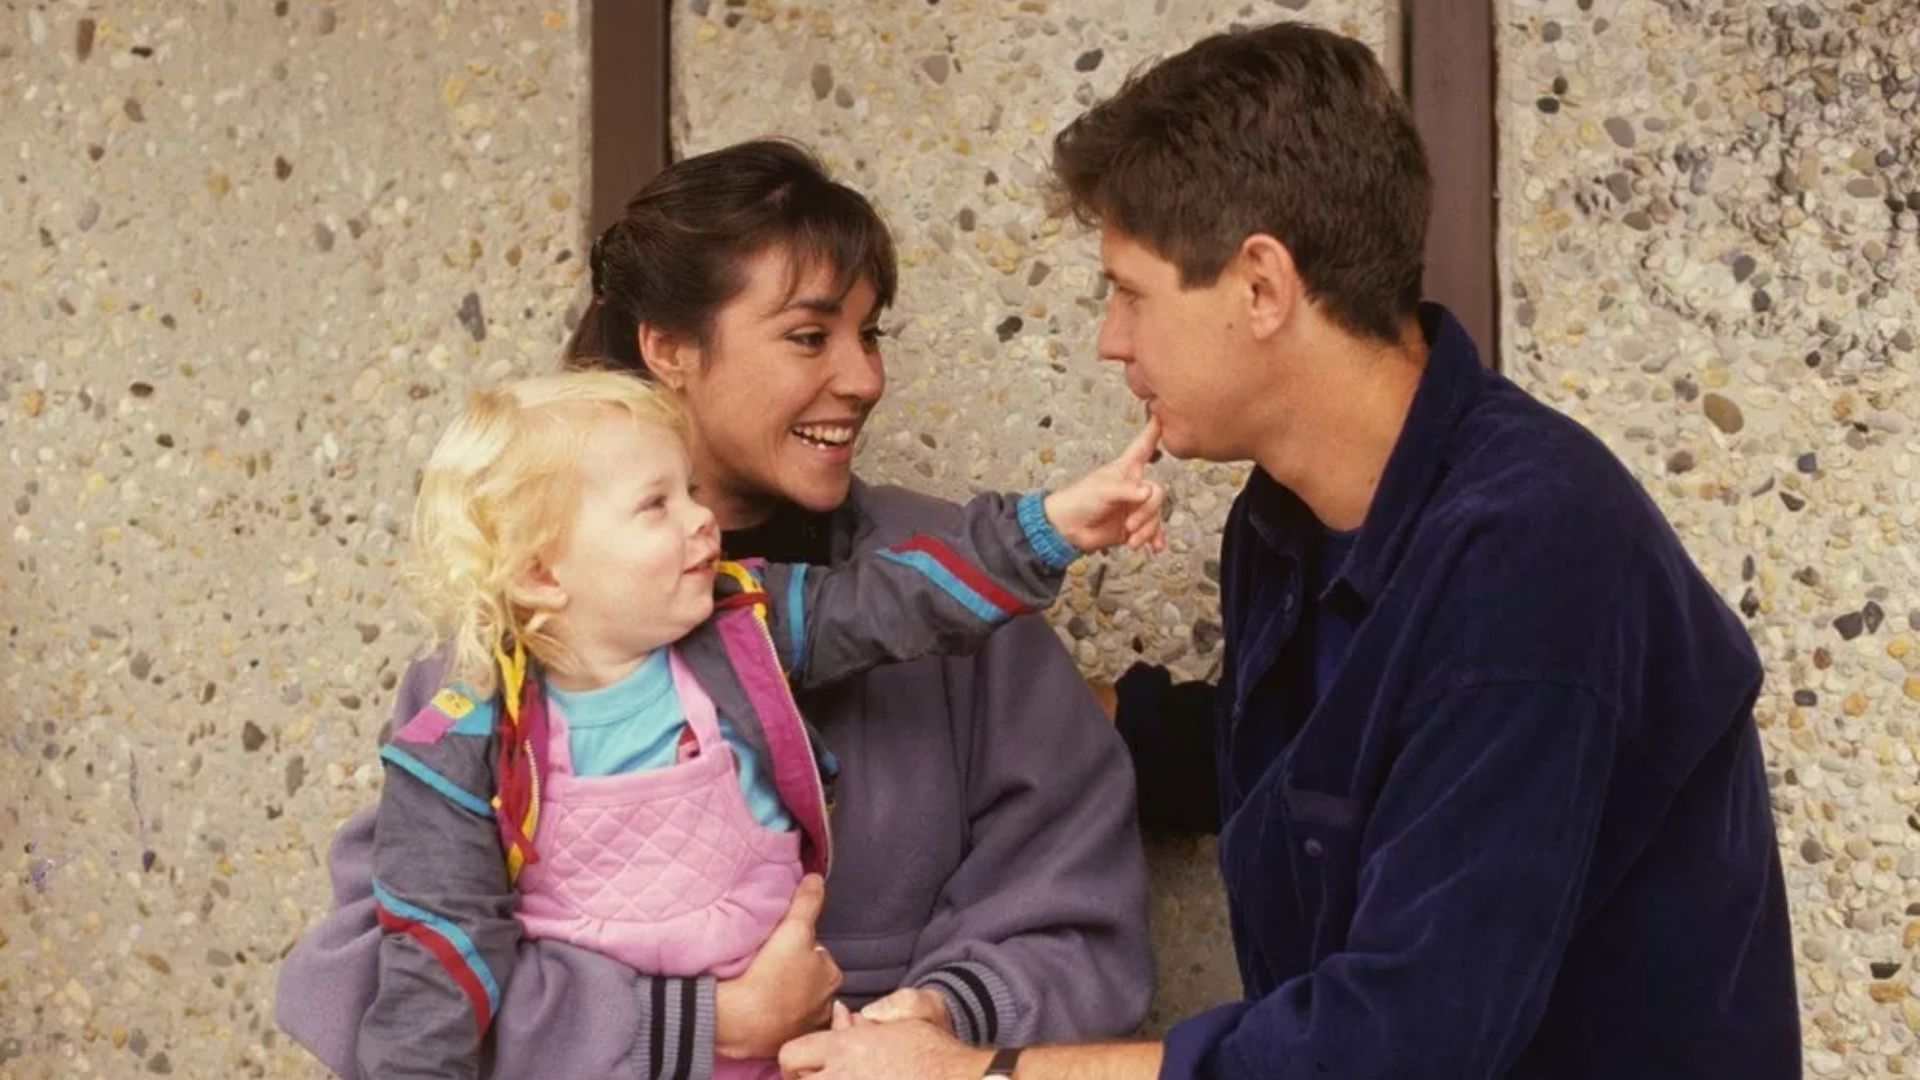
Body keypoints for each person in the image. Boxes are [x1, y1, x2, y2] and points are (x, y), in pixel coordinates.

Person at [779, 21, 1800, 1080]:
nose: (1109, 340)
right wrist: (1074, 718)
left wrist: (989, 1072)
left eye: (1130, 292)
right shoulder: (1280, 521)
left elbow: (1400, 1043)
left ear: (1263, 286)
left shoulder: (1534, 555)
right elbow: (1343, 753)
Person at [275, 140, 1155, 1080]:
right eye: (811, 336)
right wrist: (703, 1022)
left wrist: (931, 1019)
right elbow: (386, 976)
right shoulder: (509, 648)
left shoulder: (946, 594)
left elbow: (1079, 910)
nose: (863, 379)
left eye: (872, 335)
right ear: (669, 349)